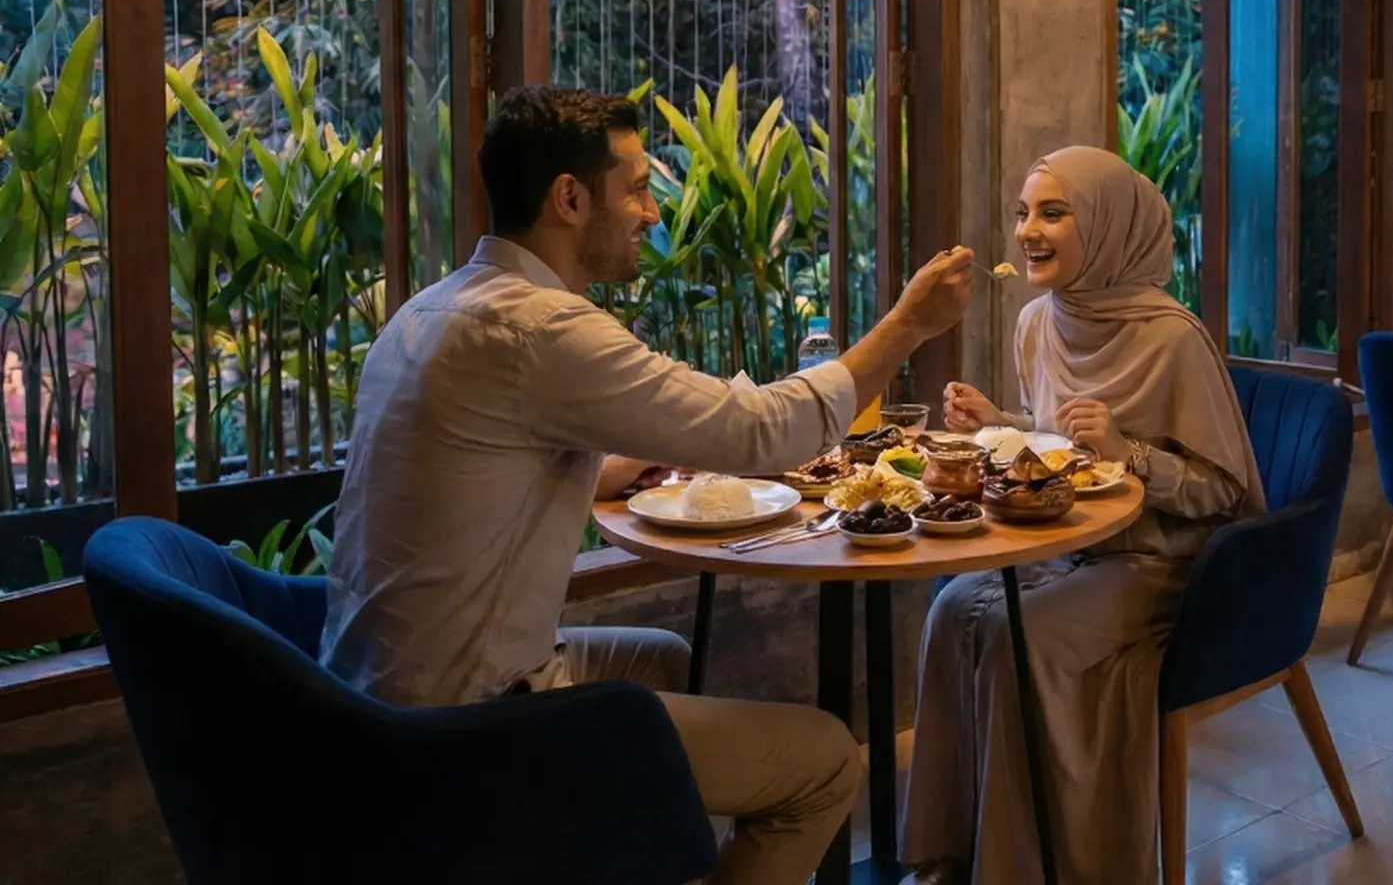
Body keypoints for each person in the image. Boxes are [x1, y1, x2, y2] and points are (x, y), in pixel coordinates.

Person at [321, 85, 974, 884]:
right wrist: (906, 324)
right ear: (568, 198)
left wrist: (610, 461)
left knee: (660, 658)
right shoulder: (543, 330)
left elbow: (492, 452)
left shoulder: (435, 308)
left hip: (366, 697)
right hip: (471, 724)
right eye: (636, 188)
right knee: (827, 764)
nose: (652, 212)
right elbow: (759, 432)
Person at [900, 145, 1264, 884]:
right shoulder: (1038, 322)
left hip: (1159, 562)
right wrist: (993, 423)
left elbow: (1222, 490)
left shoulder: (1173, 338)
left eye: (1053, 213)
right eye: (1023, 213)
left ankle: (1021, 868)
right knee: (949, 614)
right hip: (1063, 544)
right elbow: (1054, 447)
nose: (1029, 230)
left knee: (1011, 637)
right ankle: (949, 853)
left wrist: (1129, 451)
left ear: (1108, 225)